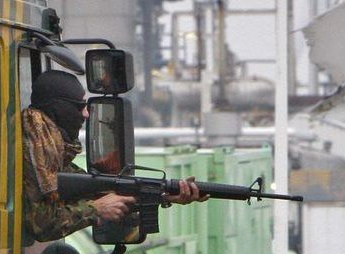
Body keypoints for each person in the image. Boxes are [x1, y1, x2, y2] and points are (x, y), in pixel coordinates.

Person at [22, 70, 208, 242]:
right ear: (59, 108)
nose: (86, 114)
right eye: (79, 107)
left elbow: (96, 193)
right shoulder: (32, 148)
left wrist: (166, 195)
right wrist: (97, 210)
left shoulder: (51, 153)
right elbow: (41, 224)